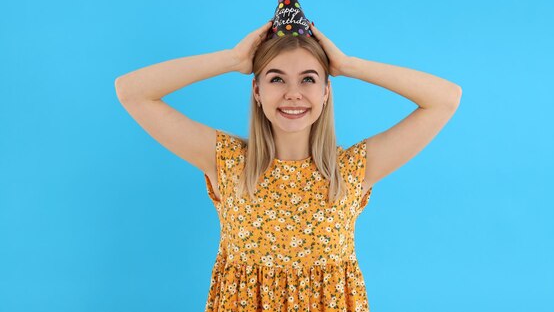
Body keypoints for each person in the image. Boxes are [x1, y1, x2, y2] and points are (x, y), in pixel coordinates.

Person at [114, 20, 462, 311]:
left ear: (326, 91)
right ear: (257, 90)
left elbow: (444, 99)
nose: (293, 93)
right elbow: (131, 91)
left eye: (309, 79)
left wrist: (349, 65)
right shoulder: (227, 162)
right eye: (276, 78)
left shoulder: (352, 170)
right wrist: (232, 59)